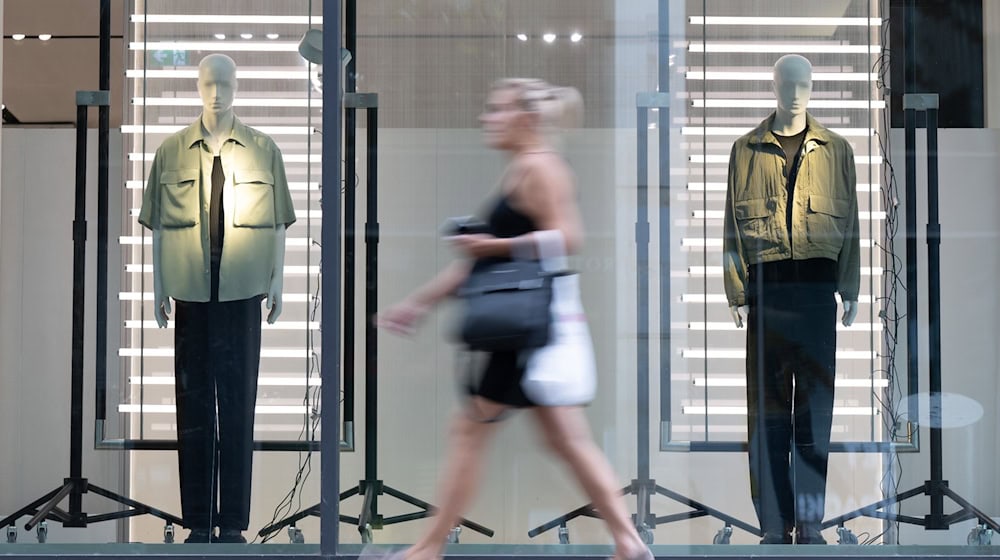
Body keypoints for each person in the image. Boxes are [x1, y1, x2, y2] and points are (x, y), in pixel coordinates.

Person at [377, 78, 651, 560]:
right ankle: (629, 543)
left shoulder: (542, 169)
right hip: (527, 332)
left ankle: (428, 549)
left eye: (497, 110)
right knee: (564, 440)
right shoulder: (522, 170)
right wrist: (418, 303)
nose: (488, 118)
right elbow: (479, 266)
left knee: (473, 433)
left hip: (529, 335)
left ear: (525, 119)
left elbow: (569, 238)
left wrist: (493, 245)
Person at [138, 53, 297, 543]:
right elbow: (160, 228)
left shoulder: (263, 148)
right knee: (192, 409)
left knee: (237, 405)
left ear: (236, 86)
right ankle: (198, 523)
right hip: (189, 292)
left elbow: (277, 226)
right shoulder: (171, 150)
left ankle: (232, 524)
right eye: (209, 82)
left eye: (225, 82)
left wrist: (278, 281)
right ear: (198, 85)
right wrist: (159, 284)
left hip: (242, 292)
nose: (217, 92)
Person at [722, 54, 861, 545]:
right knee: (767, 419)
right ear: (774, 85)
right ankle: (774, 527)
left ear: (813, 87)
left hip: (818, 296)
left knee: (813, 419)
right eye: (788, 82)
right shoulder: (746, 150)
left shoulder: (836, 150)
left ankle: (811, 524)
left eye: (803, 83)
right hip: (767, 295)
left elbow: (852, 226)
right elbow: (730, 229)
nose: (796, 92)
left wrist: (851, 288)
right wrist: (737, 291)